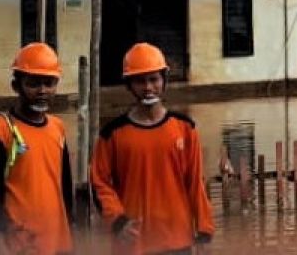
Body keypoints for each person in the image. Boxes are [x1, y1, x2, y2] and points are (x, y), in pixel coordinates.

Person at [91, 42, 214, 255]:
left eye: (153, 79)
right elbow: (99, 183)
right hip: (133, 243)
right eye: (140, 81)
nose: (148, 87)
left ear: (164, 81)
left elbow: (195, 182)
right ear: (129, 85)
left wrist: (204, 226)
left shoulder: (185, 128)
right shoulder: (112, 134)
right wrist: (118, 221)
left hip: (177, 239)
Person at [0, 42, 74, 255]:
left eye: (49, 83)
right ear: (16, 86)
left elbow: (64, 188)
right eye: (33, 84)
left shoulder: (58, 127)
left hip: (58, 244)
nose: (42, 91)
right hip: (19, 247)